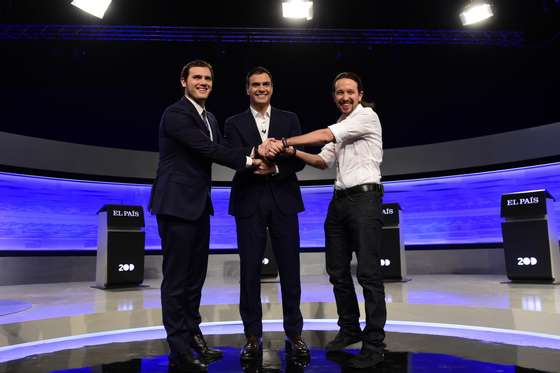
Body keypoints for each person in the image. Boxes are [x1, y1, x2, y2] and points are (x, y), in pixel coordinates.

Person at [149, 60, 265, 372]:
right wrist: (249, 161)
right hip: (175, 204)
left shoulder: (210, 117)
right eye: (197, 77)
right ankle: (179, 349)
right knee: (176, 280)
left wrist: (258, 150)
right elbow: (207, 149)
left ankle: (193, 337)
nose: (203, 82)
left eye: (208, 78)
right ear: (183, 81)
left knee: (194, 279)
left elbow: (222, 147)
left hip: (199, 205)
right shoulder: (176, 114)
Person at [265, 72, 386, 369]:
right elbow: (323, 161)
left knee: (368, 274)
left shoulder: (367, 116)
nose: (344, 97)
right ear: (334, 96)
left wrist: (282, 141)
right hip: (340, 202)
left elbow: (324, 135)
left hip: (365, 200)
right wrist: (293, 152)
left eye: (349, 92)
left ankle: (374, 344)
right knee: (337, 271)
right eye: (339, 93)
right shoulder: (343, 125)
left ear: (359, 95)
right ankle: (349, 330)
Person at [223, 67, 309, 362]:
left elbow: (298, 162)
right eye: (256, 85)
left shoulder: (290, 119)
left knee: (291, 271)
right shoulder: (233, 123)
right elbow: (230, 155)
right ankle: (251, 336)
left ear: (272, 88)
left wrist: (276, 168)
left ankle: (295, 334)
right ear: (247, 89)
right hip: (249, 201)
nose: (261, 88)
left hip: (284, 200)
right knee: (249, 272)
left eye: (266, 84)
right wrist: (255, 152)